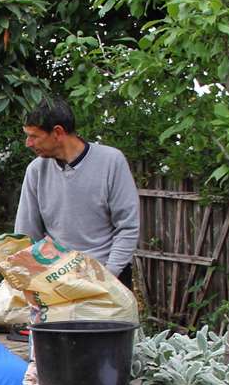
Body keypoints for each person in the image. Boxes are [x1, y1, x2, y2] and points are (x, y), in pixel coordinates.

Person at [14, 96, 142, 285]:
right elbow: (26, 234)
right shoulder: (36, 171)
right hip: (58, 278)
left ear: (57, 132)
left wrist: (108, 276)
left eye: (33, 136)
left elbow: (127, 227)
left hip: (109, 276)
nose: (28, 143)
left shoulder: (111, 161)